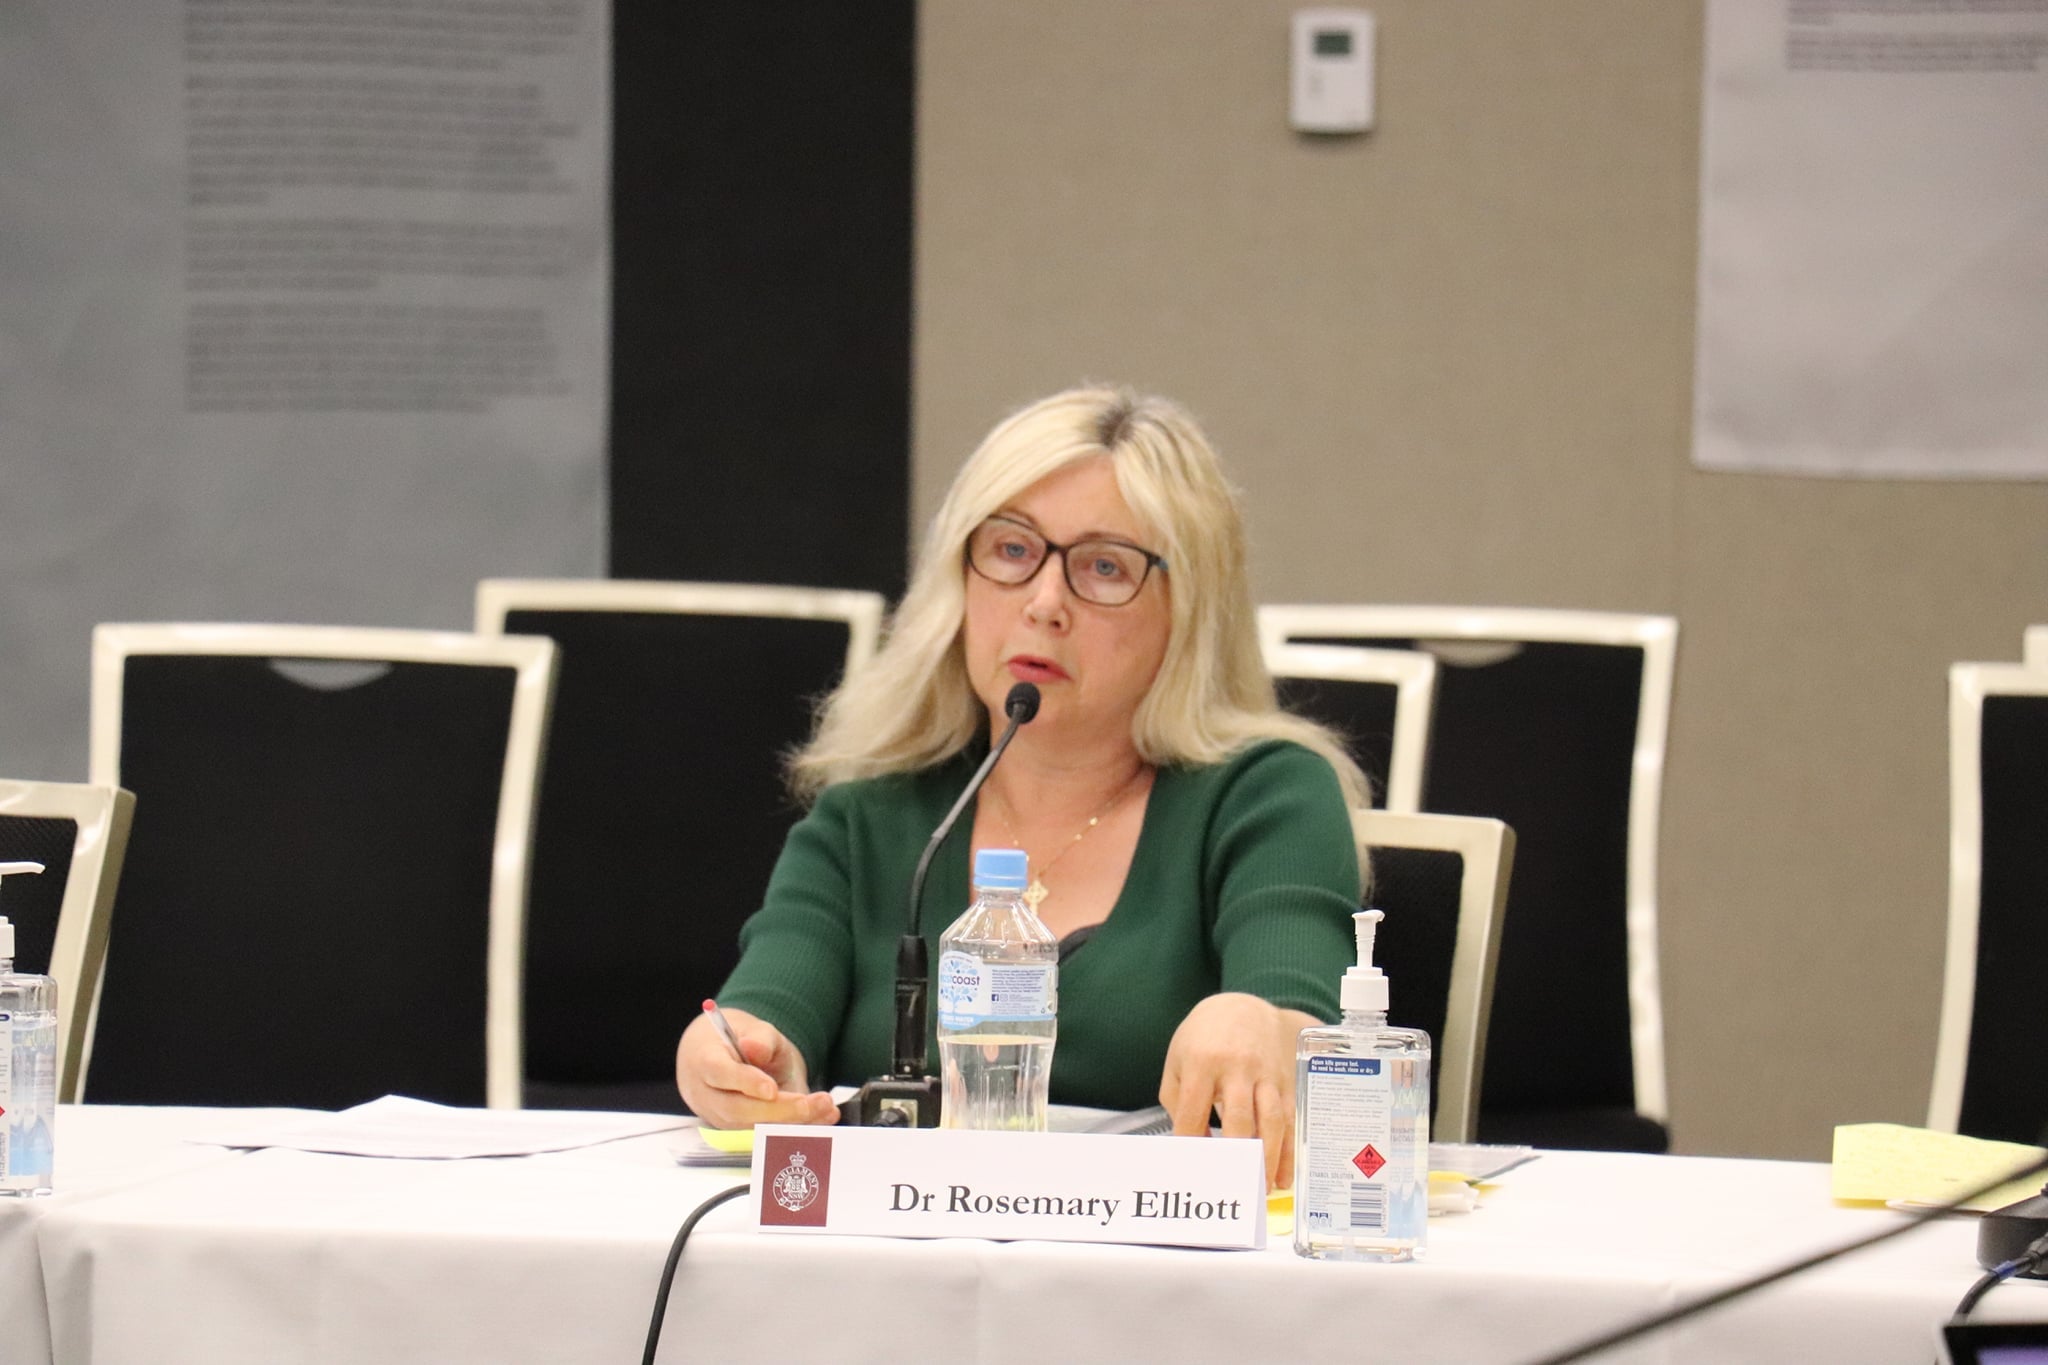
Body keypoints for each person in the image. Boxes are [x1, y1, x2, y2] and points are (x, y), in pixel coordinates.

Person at [675, 385, 1367, 1188]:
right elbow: (766, 1018)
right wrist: (735, 1061)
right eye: (1011, 550)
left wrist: (1260, 1024)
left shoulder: (1266, 796)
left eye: (1104, 567)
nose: (1044, 604)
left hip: (1166, 1270)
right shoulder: (870, 814)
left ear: (1189, 613)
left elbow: (1310, 1030)